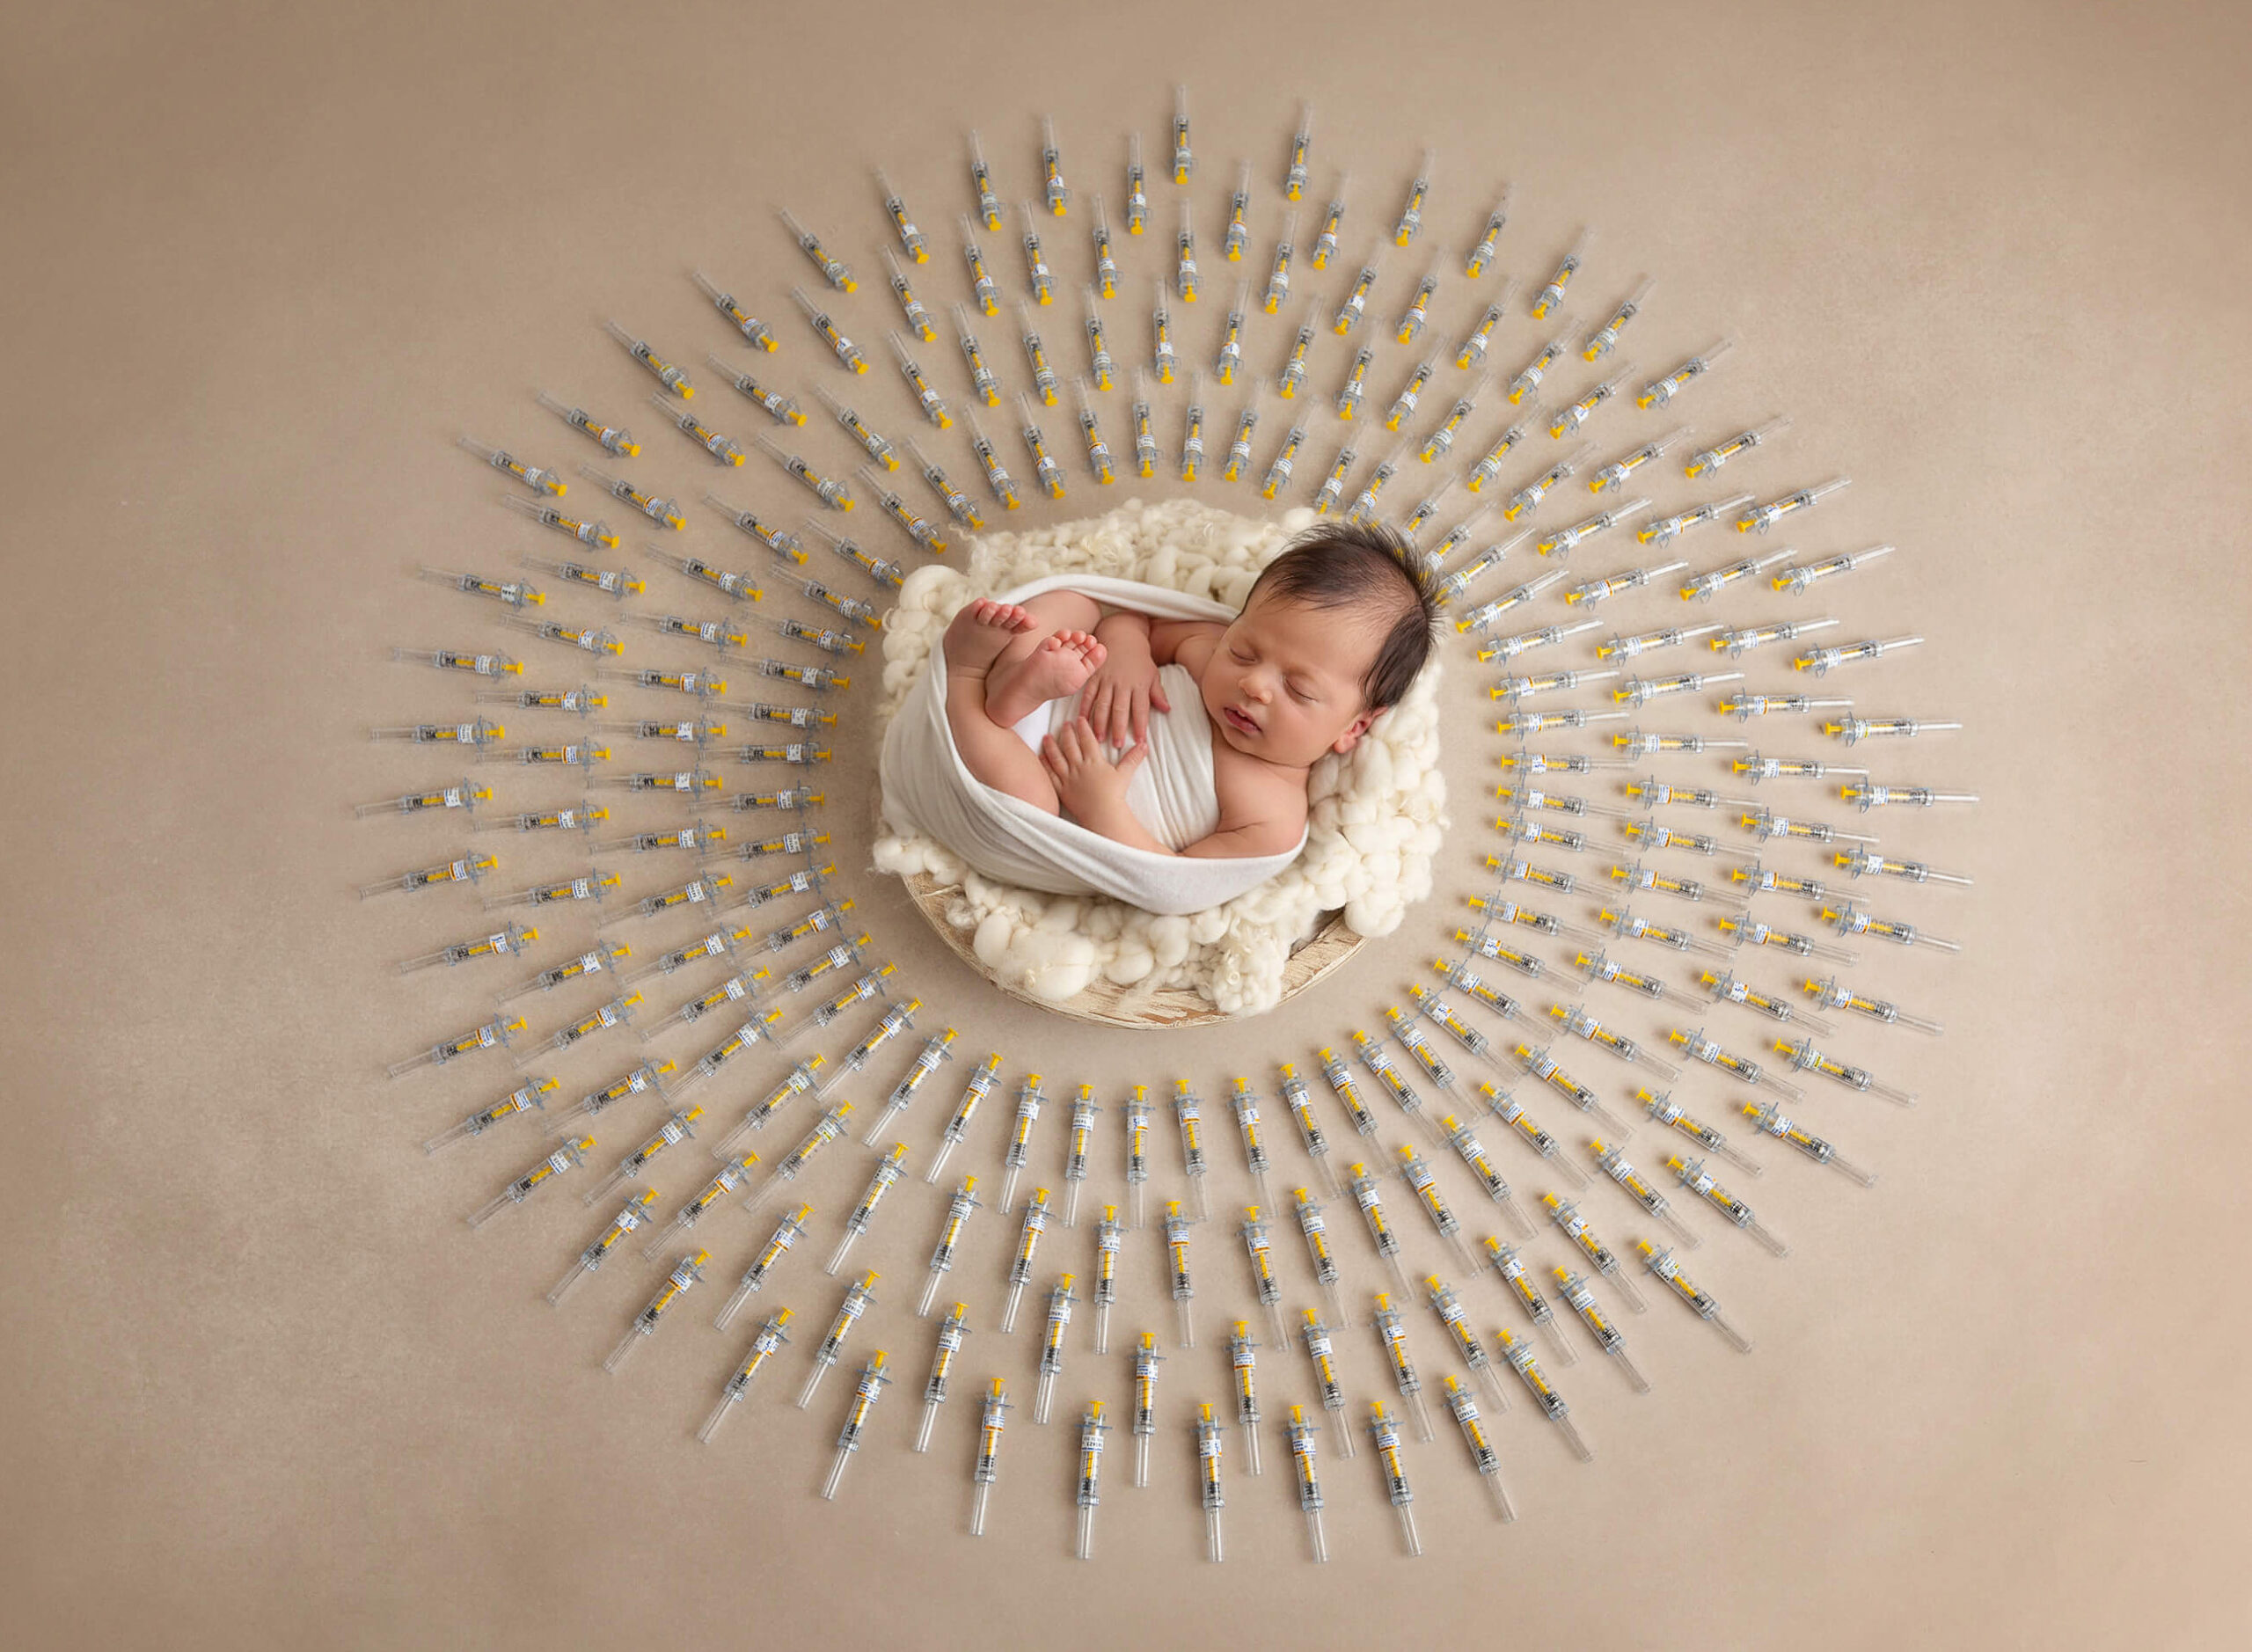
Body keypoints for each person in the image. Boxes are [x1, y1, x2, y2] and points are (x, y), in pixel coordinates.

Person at [939, 520, 1438, 861]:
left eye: (1300, 690)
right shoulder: (1207, 649)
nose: (1254, 683)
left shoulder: (1273, 818)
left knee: (1032, 801)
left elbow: (1168, 877)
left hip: (1041, 783)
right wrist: (1129, 653)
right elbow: (1135, 620)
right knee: (1079, 605)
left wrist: (1101, 807)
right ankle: (1014, 679)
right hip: (1060, 686)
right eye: (1244, 651)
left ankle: (966, 676)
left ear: (1353, 728)